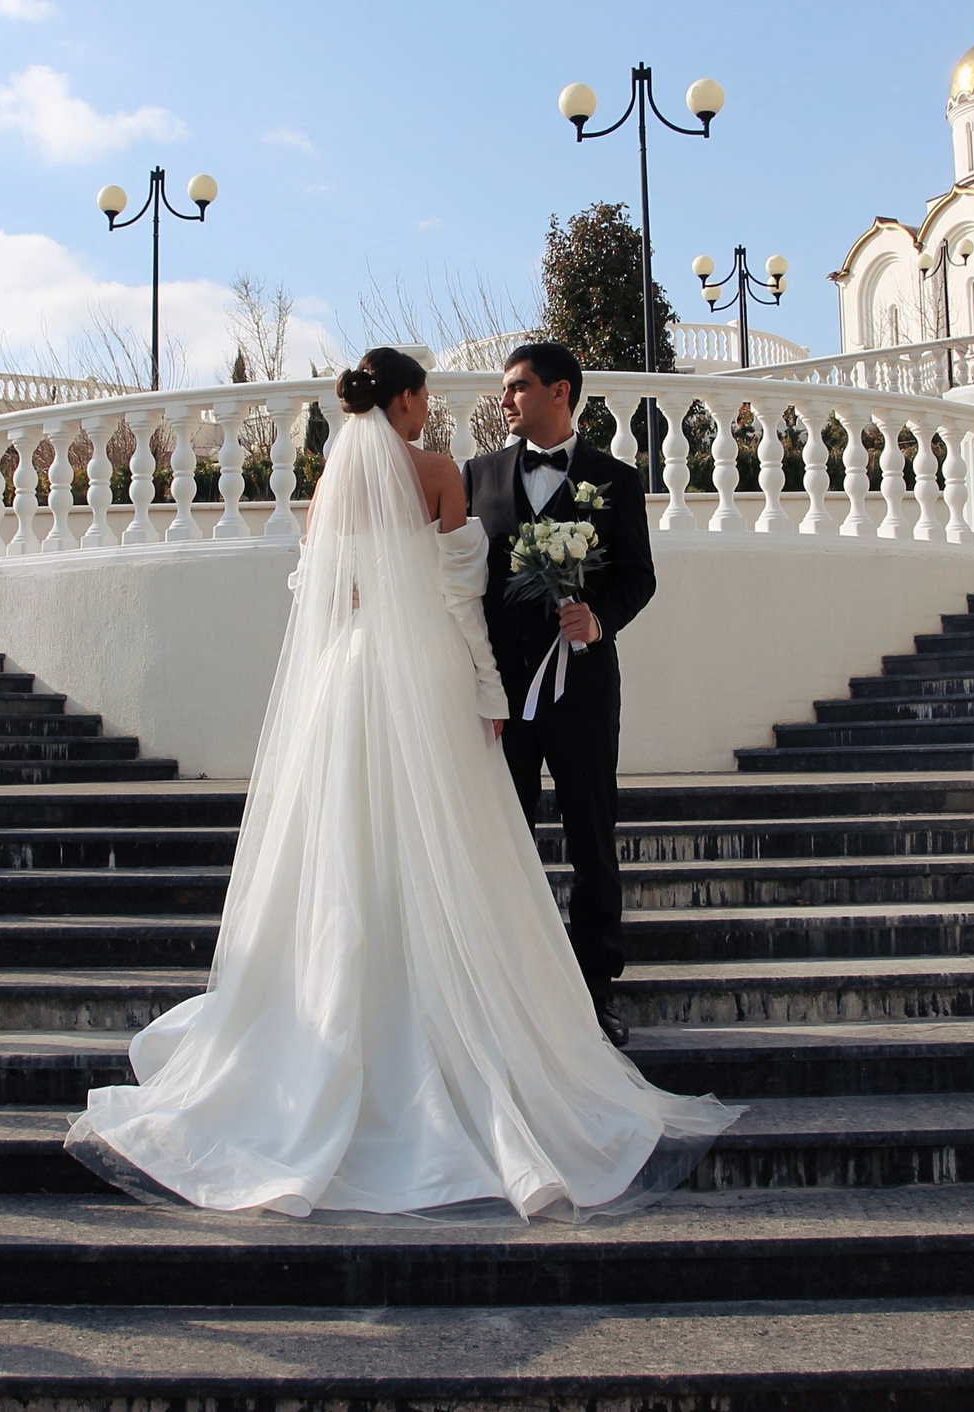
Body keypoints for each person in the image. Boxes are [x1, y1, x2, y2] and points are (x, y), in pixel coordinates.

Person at [64, 347, 737, 1220]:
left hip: (354, 682)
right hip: (425, 677)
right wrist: (489, 690)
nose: (459, 407)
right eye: (428, 398)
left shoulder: (333, 486)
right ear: (410, 399)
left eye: (517, 386)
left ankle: (356, 1013)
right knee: (461, 843)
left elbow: (323, 595)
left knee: (353, 846)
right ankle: (480, 1017)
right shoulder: (448, 473)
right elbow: (465, 600)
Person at [461, 342, 654, 1047]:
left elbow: (639, 575)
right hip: (501, 701)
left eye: (517, 388)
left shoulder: (615, 479)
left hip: (584, 693)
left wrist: (599, 618)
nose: (505, 400)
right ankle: (507, 987)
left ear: (560, 392)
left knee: (592, 840)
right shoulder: (477, 476)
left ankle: (596, 991)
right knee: (501, 844)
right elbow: (464, 585)